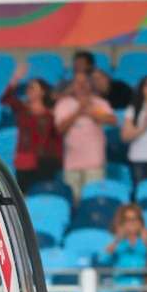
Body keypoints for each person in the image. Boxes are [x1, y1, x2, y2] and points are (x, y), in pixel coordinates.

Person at [53, 70, 115, 199]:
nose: (81, 85)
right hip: (71, 163)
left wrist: (90, 111)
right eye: (77, 82)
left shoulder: (100, 103)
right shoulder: (63, 104)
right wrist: (78, 111)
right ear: (72, 86)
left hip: (95, 162)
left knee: (94, 197)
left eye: (84, 82)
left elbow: (112, 120)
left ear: (90, 84)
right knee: (74, 199)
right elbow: (60, 129)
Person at [0, 64, 60, 191]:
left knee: (42, 194)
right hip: (24, 161)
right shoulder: (22, 110)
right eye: (28, 87)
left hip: (45, 163)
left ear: (42, 92)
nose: (28, 90)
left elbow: (55, 141)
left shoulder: (50, 115)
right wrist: (15, 78)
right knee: (23, 195)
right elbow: (5, 99)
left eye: (32, 87)